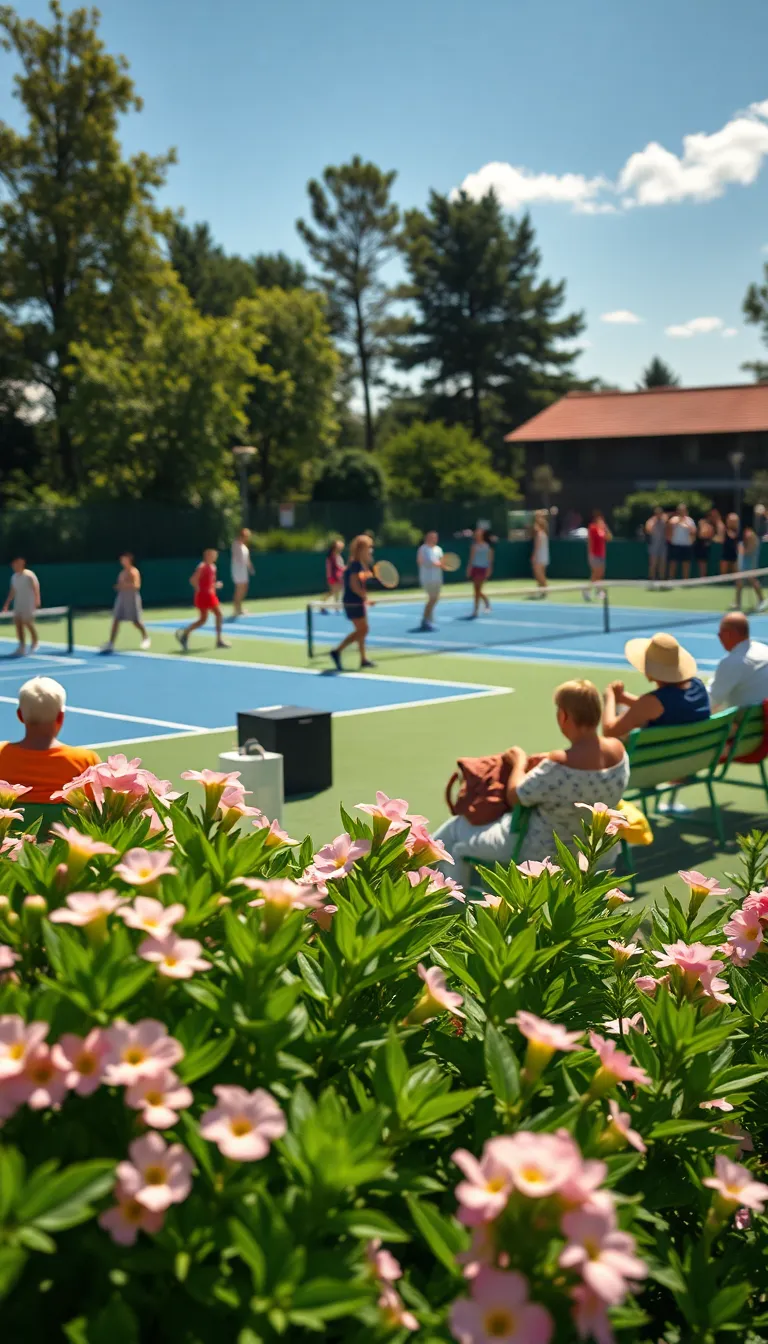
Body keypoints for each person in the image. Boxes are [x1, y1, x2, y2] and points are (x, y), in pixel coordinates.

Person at [431, 680, 629, 886]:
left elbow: (516, 795)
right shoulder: (617, 751)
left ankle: (448, 905)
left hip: (540, 851)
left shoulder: (558, 764)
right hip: (594, 851)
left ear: (564, 716)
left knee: (455, 836)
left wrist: (520, 761)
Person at [0, 677, 100, 803]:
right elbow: (97, 807)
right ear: (61, 717)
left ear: (20, 715)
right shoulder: (85, 760)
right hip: (65, 824)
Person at [602, 633, 710, 737]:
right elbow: (661, 708)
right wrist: (623, 698)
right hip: (696, 753)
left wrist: (609, 696)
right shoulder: (698, 687)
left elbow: (609, 730)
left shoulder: (651, 702)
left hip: (658, 755)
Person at [329, 534, 375, 671]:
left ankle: (363, 659)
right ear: (361, 549)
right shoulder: (355, 564)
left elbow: (359, 579)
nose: (371, 550)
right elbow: (354, 585)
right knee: (364, 629)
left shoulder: (359, 564)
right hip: (352, 601)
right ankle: (337, 651)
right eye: (369, 547)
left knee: (361, 631)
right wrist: (365, 598)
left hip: (357, 600)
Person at [709, 612, 768, 710]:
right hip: (762, 720)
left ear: (730, 634)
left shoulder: (733, 661)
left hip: (744, 723)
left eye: (721, 633)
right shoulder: (764, 650)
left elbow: (712, 701)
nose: (719, 637)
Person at [176, 548, 231, 653]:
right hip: (203, 596)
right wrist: (200, 590)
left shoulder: (213, 567)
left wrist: (215, 586)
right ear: (207, 556)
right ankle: (218, 640)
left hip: (210, 595)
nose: (215, 556)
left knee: (204, 619)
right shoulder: (202, 567)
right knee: (216, 615)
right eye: (212, 555)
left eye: (215, 555)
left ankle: (186, 633)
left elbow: (209, 583)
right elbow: (193, 580)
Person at [100, 553, 150, 654]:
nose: (122, 561)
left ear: (129, 560)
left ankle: (145, 637)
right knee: (116, 620)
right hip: (121, 598)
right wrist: (119, 586)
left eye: (124, 559)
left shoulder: (134, 571)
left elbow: (136, 586)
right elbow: (121, 585)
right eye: (122, 559)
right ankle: (111, 643)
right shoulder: (122, 573)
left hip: (131, 598)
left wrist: (124, 585)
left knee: (135, 621)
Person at [2, 557, 40, 657]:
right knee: (18, 624)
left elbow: (35, 587)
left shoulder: (29, 575)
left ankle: (35, 641)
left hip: (28, 604)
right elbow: (12, 591)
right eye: (13, 564)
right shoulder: (14, 577)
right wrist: (7, 604)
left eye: (16, 563)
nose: (14, 566)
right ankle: (21, 646)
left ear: (22, 563)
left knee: (28, 623)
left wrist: (37, 600)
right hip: (18, 604)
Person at [416, 530, 448, 632]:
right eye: (431, 537)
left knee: (435, 598)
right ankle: (425, 620)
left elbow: (442, 562)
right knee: (432, 598)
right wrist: (434, 564)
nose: (433, 539)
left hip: (437, 578)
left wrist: (444, 565)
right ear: (427, 538)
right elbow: (420, 561)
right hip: (427, 578)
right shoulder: (423, 548)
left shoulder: (439, 549)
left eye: (435, 537)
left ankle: (429, 619)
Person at [735, 525, 766, 611]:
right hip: (744, 562)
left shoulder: (752, 538)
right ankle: (737, 603)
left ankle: (762, 600)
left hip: (750, 563)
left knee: (752, 580)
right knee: (739, 582)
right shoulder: (745, 539)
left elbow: (748, 551)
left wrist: (742, 550)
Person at [583, 509, 611, 601]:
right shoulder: (592, 528)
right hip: (594, 555)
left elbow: (609, 538)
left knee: (600, 574)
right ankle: (587, 590)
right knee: (595, 574)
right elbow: (590, 541)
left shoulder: (602, 529)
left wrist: (606, 529)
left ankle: (599, 591)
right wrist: (590, 554)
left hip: (602, 555)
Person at [666, 503, 696, 581]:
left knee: (686, 564)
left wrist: (686, 525)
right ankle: (671, 580)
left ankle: (685, 581)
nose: (681, 512)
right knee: (673, 564)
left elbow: (694, 531)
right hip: (675, 545)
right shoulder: (673, 520)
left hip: (687, 545)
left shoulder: (690, 520)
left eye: (683, 510)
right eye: (680, 510)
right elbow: (668, 530)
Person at [468, 527, 494, 615]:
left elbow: (490, 559)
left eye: (479, 534)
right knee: (476, 590)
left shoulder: (487, 546)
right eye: (476, 535)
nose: (477, 536)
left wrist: (489, 569)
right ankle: (479, 607)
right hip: (475, 568)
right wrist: (469, 569)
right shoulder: (474, 546)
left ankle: (480, 607)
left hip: (483, 569)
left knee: (478, 590)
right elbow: (471, 559)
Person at [230, 528, 255, 618]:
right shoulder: (235, 544)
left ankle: (240, 608)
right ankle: (236, 610)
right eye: (246, 536)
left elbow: (247, 559)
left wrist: (250, 568)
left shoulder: (244, 547)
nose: (247, 538)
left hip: (243, 570)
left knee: (244, 589)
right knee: (239, 589)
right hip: (237, 570)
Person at [645, 506, 668, 587]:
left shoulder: (664, 520)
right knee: (653, 563)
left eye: (660, 513)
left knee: (662, 563)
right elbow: (648, 530)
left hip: (663, 545)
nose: (659, 514)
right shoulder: (651, 521)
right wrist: (654, 522)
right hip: (654, 545)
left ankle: (662, 580)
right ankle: (652, 580)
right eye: (657, 513)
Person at [321, 538, 345, 613]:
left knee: (336, 592)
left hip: (338, 577)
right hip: (333, 578)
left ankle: (336, 607)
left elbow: (341, 567)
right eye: (339, 546)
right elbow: (331, 569)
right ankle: (322, 605)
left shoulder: (338, 556)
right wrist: (331, 578)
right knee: (333, 592)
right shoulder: (331, 558)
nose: (340, 548)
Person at [529, 513, 549, 598]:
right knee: (540, 573)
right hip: (543, 556)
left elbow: (537, 547)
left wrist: (534, 556)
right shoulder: (543, 534)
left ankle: (544, 589)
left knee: (539, 574)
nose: (534, 526)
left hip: (540, 556)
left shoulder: (540, 534)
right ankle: (541, 590)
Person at [694, 514, 714, 580]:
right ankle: (701, 577)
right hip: (699, 548)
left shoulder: (708, 527)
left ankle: (703, 578)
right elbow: (700, 535)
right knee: (700, 563)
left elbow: (705, 535)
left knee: (703, 564)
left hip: (705, 549)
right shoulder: (699, 529)